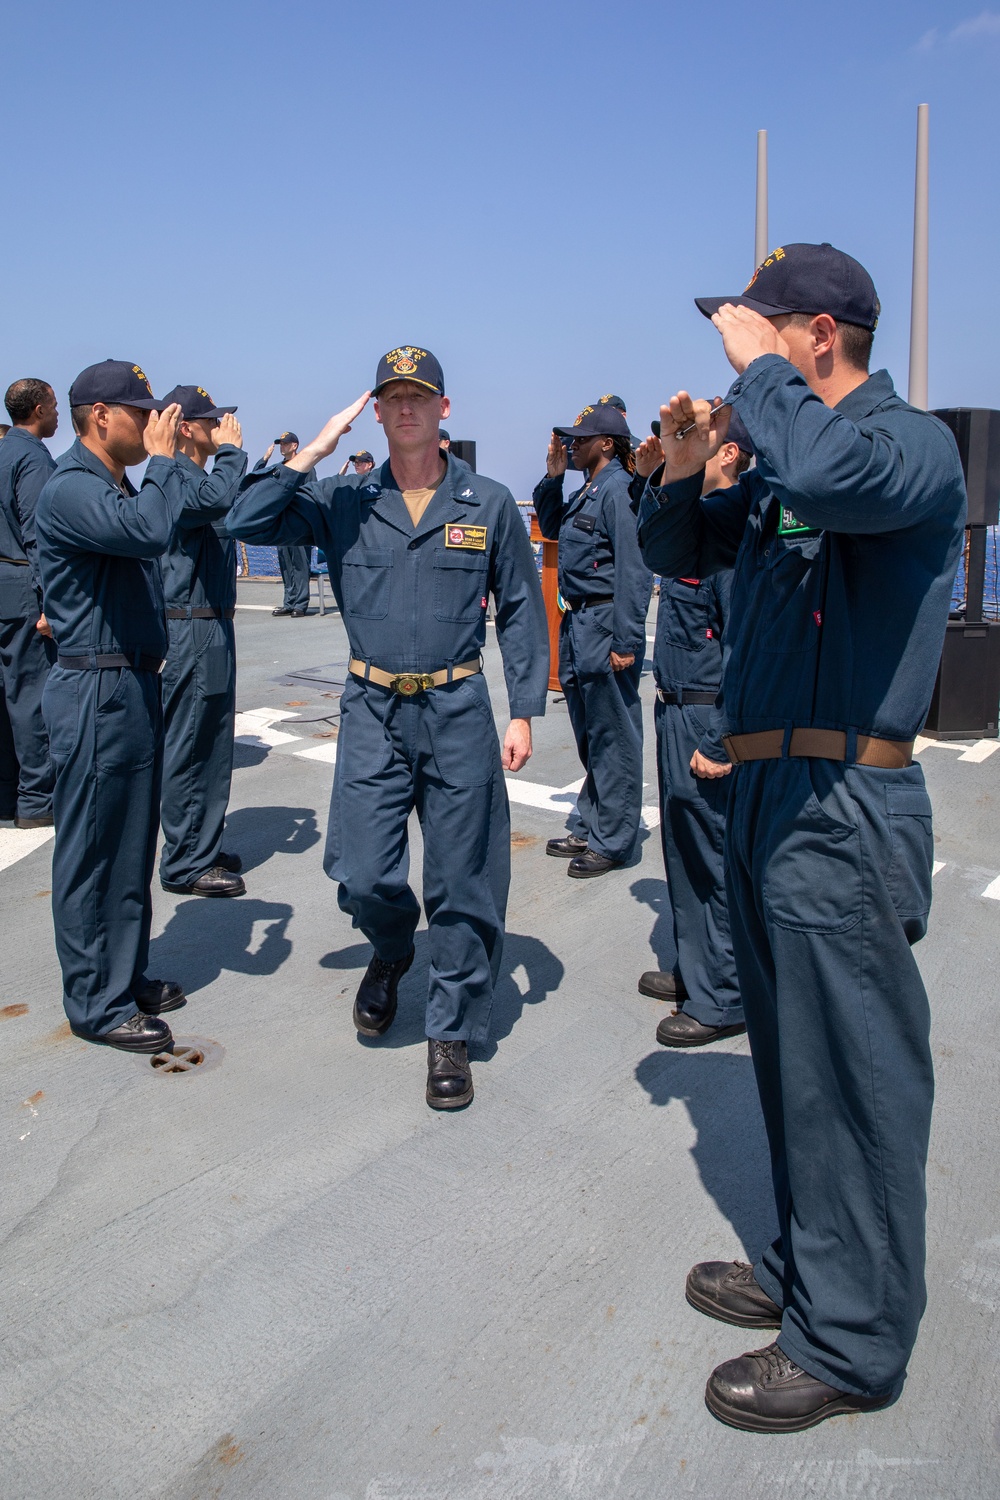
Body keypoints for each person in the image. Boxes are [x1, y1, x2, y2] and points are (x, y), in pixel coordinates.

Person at [637, 243, 967, 1431]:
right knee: (793, 1071)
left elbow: (825, 470)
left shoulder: (900, 445)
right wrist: (681, 463)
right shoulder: (798, 463)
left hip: (843, 809)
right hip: (773, 802)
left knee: (855, 1076)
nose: (737, 346)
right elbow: (679, 556)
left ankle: (853, 1341)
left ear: (818, 334)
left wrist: (760, 380)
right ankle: (807, 1272)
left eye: (762, 328)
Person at [228, 345, 548, 1109]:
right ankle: (393, 946)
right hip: (371, 709)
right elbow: (243, 517)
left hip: (459, 708)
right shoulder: (343, 501)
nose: (407, 407)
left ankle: (452, 1029)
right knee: (365, 871)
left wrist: (526, 710)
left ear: (444, 409)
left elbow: (525, 612)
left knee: (464, 878)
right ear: (374, 410)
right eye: (392, 396)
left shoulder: (490, 504)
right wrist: (311, 451)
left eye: (421, 395)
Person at [35, 360, 188, 1054]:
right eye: (139, 411)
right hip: (96, 691)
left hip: (128, 686)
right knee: (95, 851)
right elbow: (151, 534)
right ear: (101, 415)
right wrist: (161, 464)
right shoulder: (70, 487)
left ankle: (122, 973)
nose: (152, 422)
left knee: (129, 845)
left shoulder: (112, 487)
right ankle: (96, 1003)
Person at [635, 415, 753, 1045]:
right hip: (674, 706)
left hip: (708, 716)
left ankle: (725, 995)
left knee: (713, 855)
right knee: (681, 850)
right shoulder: (693, 535)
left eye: (697, 441)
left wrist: (722, 739)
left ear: (727, 452)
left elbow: (746, 649)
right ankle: (694, 969)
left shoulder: (733, 545)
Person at [533, 403, 651, 876]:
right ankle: (593, 821)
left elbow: (634, 569)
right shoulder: (589, 490)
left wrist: (626, 640)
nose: (571, 445)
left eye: (580, 440)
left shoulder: (619, 490)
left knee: (613, 736)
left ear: (606, 443)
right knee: (590, 734)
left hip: (604, 625)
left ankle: (615, 839)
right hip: (578, 622)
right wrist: (553, 478)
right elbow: (555, 530)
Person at [157, 385, 248, 899]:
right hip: (189, 627)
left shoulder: (196, 475)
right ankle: (185, 862)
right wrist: (233, 454)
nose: (223, 429)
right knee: (191, 744)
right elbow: (216, 499)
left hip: (211, 624)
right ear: (187, 427)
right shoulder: (172, 475)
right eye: (213, 422)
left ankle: (203, 843)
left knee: (212, 743)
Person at [0, 379, 59, 827]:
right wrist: (50, 603)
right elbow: (38, 535)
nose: (59, 415)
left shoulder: (3, 451)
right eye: (55, 407)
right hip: (23, 587)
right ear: (38, 410)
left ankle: (10, 792)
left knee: (8, 694)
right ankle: (37, 800)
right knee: (33, 695)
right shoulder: (32, 457)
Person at [253, 431, 313, 616]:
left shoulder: (305, 466)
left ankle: (300, 604)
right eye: (280, 444)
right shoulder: (278, 468)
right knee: (285, 563)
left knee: (300, 564)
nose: (282, 446)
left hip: (298, 523)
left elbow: (312, 492)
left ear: (295, 445)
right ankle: (289, 602)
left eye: (285, 444)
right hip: (281, 522)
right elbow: (256, 477)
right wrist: (264, 459)